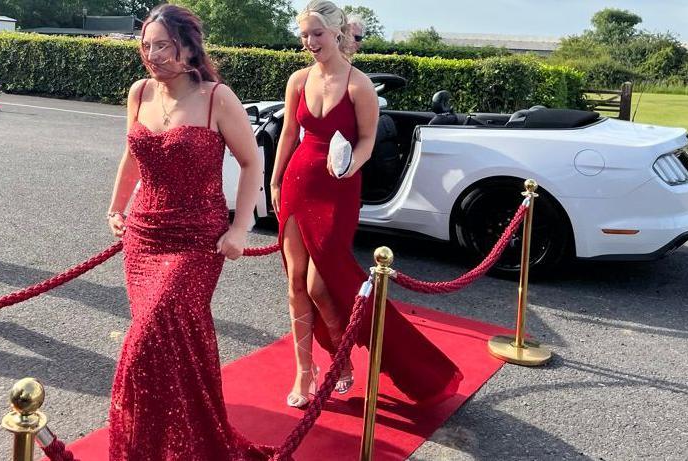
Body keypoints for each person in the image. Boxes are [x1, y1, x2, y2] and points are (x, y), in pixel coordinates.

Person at [271, 0, 463, 409]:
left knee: (322, 286)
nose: (309, 42)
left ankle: (342, 357)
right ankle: (304, 372)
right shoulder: (297, 80)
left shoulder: (358, 86)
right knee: (294, 284)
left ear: (337, 33)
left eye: (317, 34)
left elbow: (367, 142)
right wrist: (274, 179)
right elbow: (289, 133)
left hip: (338, 188)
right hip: (296, 183)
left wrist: (348, 167)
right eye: (304, 35)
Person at [105, 5, 274, 460]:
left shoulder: (217, 96)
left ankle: (178, 444)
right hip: (143, 235)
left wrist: (241, 227)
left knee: (148, 338)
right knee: (172, 343)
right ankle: (168, 445)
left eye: (162, 44)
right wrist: (116, 205)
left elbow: (251, 160)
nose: (152, 54)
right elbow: (132, 155)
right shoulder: (139, 92)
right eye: (146, 45)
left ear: (188, 47)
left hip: (197, 239)